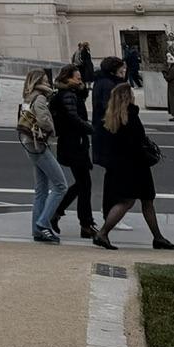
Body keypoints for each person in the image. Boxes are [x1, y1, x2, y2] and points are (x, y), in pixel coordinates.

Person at [93, 81, 174, 251]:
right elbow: (138, 142)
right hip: (137, 166)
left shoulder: (112, 117)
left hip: (121, 166)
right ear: (128, 97)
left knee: (134, 201)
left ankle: (157, 237)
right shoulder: (131, 116)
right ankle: (103, 233)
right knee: (139, 201)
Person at [19, 69, 69, 244]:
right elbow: (44, 121)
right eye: (46, 81)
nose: (49, 84)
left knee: (41, 189)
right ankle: (43, 223)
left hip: (29, 143)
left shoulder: (28, 96)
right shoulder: (40, 98)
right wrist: (53, 130)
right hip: (38, 145)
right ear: (39, 82)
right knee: (61, 186)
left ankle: (37, 228)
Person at [51, 64, 97, 240]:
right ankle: (84, 223)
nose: (80, 81)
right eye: (77, 78)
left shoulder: (69, 93)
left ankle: (59, 212)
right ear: (68, 78)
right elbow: (73, 118)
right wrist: (90, 128)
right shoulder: (68, 95)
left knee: (82, 183)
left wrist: (82, 89)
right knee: (84, 183)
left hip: (72, 142)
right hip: (74, 143)